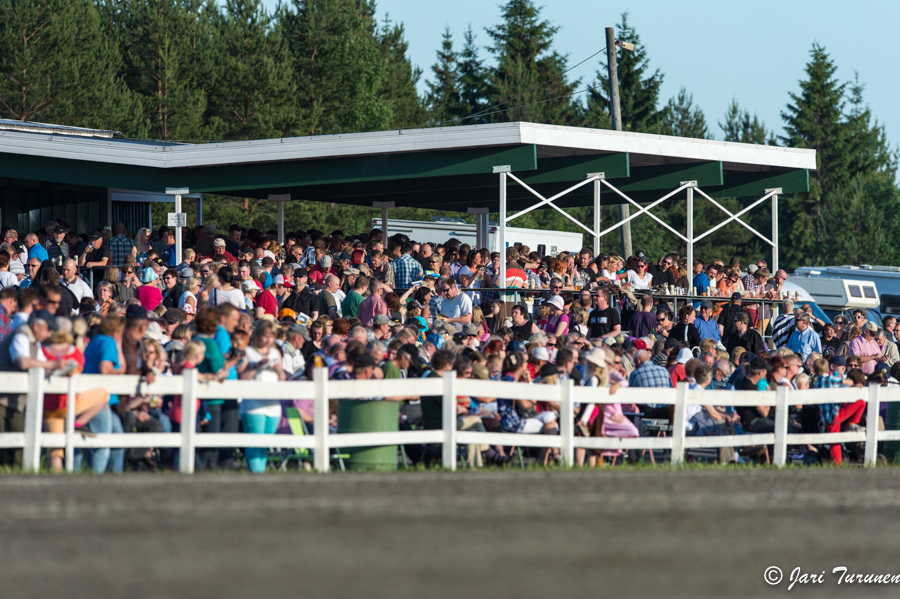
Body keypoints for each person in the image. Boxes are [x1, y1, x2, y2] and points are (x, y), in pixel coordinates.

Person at [239, 320, 286, 473]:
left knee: (265, 443)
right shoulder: (248, 352)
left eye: (271, 337)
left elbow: (282, 379)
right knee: (255, 441)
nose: (268, 340)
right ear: (258, 335)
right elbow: (242, 377)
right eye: (265, 336)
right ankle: (255, 474)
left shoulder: (276, 352)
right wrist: (256, 366)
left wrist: (279, 370)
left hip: (273, 404)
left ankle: (261, 473)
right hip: (253, 404)